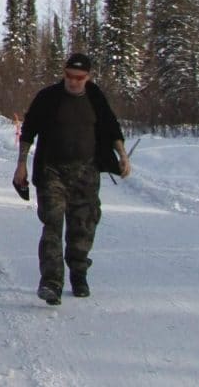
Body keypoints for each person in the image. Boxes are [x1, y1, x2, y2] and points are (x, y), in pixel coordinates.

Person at [12, 53, 131, 305]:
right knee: (52, 224)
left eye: (79, 77)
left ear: (88, 77)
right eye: (69, 76)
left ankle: (78, 271)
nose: (74, 81)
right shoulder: (48, 98)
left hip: (86, 172)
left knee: (83, 226)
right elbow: (28, 131)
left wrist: (122, 155)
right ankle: (51, 282)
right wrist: (21, 164)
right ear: (63, 73)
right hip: (51, 171)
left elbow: (111, 128)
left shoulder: (95, 97)